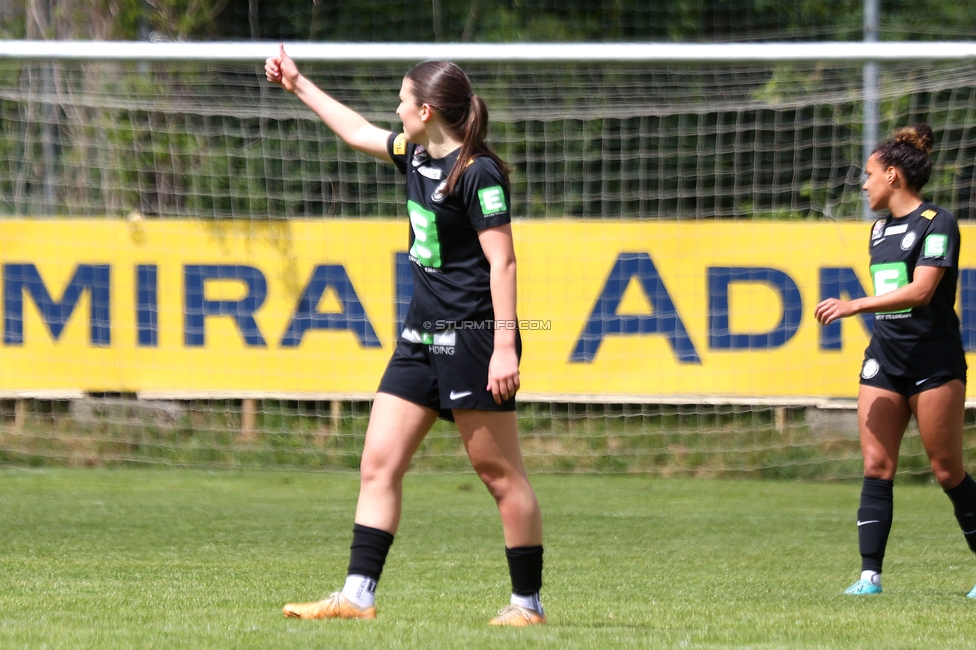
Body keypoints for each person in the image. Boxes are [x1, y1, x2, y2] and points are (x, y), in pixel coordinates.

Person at [264, 45, 546, 626]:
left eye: (402, 102)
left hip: (471, 338)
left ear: (427, 112)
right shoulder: (416, 157)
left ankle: (527, 605)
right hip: (418, 337)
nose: (396, 112)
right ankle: (357, 597)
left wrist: (505, 346)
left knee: (499, 476)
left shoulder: (479, 173)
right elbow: (358, 132)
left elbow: (505, 264)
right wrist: (299, 84)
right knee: (378, 463)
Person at [815, 123, 976, 597]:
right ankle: (869, 576)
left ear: (892, 175)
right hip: (884, 358)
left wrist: (855, 304)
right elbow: (895, 297)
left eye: (868, 175)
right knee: (876, 465)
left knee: (946, 469)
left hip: (933, 362)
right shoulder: (878, 229)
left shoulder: (937, 222)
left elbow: (922, 291)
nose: (863, 184)